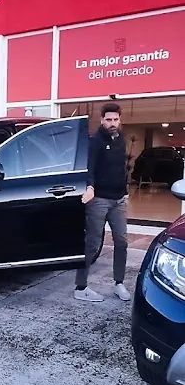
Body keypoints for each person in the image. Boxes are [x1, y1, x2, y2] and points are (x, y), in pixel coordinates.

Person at [74, 101, 130, 304]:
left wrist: (125, 191)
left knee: (122, 242)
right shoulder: (95, 141)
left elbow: (121, 168)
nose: (113, 123)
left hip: (118, 200)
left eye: (116, 119)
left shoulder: (121, 140)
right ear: (102, 120)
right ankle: (81, 287)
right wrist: (89, 188)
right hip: (98, 200)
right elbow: (90, 168)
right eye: (109, 120)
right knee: (92, 244)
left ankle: (119, 283)